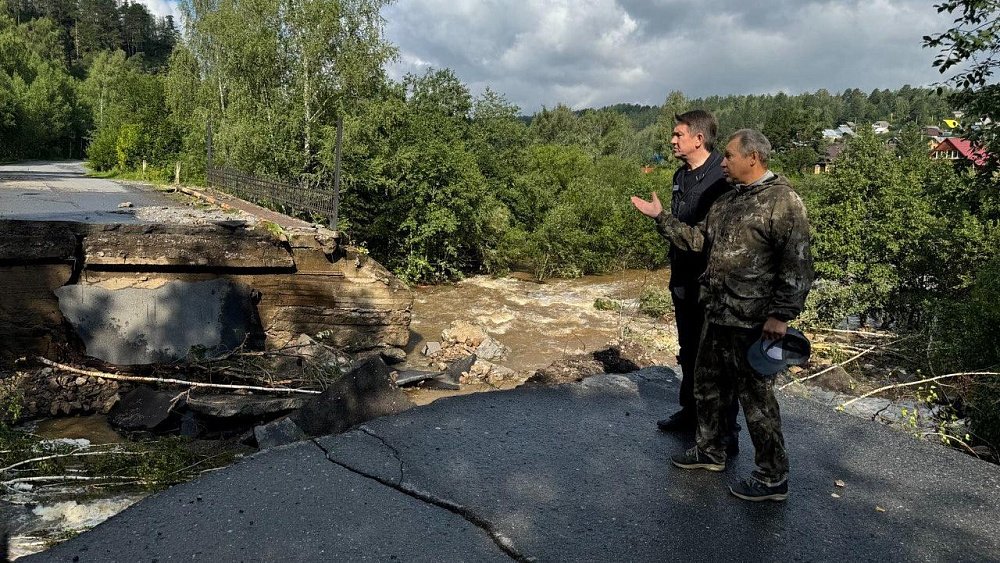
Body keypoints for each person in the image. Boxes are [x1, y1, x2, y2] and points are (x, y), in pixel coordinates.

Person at [631, 129, 813, 502]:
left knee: (757, 402)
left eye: (729, 156)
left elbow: (798, 265)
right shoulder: (728, 200)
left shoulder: (784, 202)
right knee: (707, 387)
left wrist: (781, 315)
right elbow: (698, 241)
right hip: (717, 313)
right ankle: (710, 451)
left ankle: (772, 477)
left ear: (753, 158)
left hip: (754, 321)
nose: (724, 162)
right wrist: (661, 217)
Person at [639, 110, 740, 455]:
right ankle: (692, 412)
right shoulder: (680, 175)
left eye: (678, 135)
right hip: (683, 278)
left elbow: (703, 239)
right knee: (688, 351)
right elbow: (679, 228)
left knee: (717, 360)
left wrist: (659, 217)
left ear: (698, 139)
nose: (672, 140)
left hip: (712, 284)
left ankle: (726, 431)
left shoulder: (721, 178)